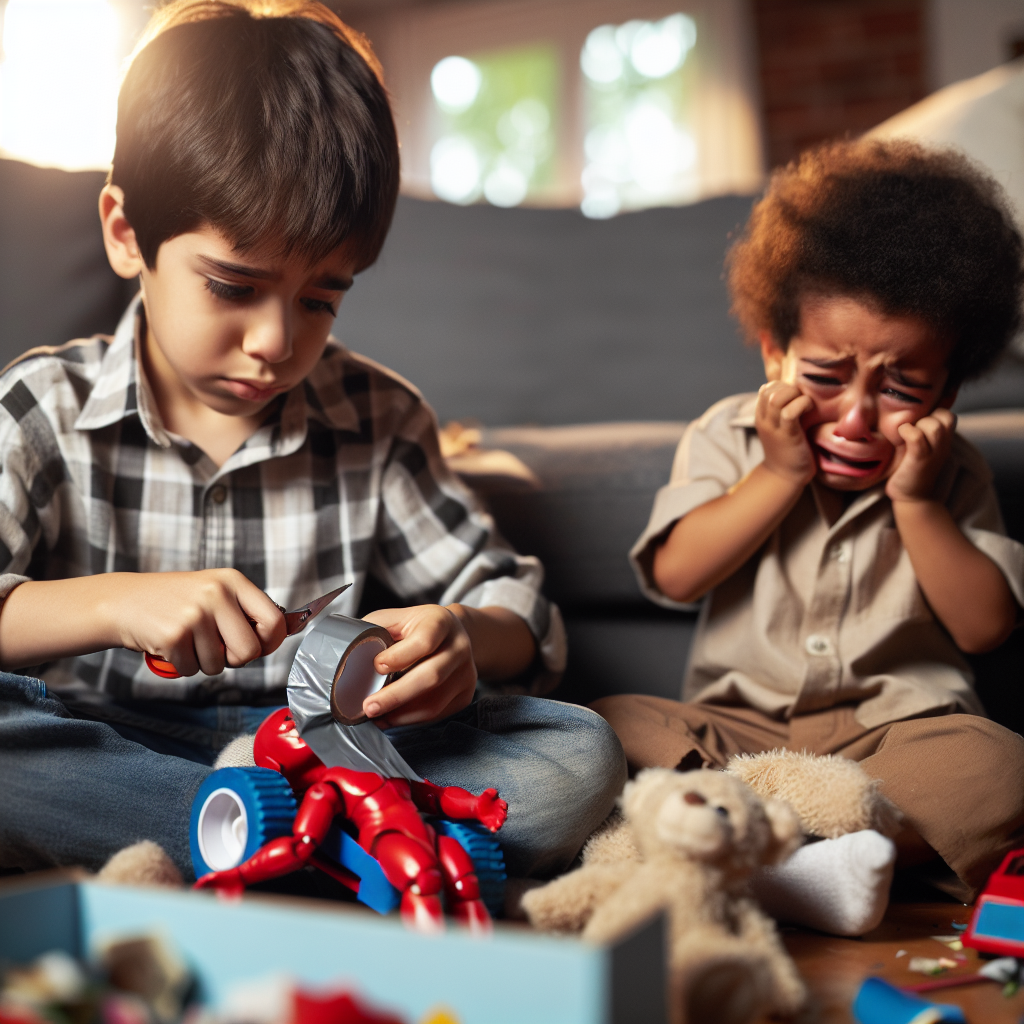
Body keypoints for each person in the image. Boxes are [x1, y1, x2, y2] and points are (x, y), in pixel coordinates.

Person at [0, 0, 624, 886]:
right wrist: (111, 603)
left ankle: (251, 843)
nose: (274, 341)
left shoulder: (379, 418)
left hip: (322, 754)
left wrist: (461, 639)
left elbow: (516, 607)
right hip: (106, 740)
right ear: (125, 232)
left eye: (321, 299)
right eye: (233, 285)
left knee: (579, 757)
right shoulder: (39, 406)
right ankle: (316, 848)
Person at [593, 139, 1024, 911]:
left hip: (893, 736)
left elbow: (986, 626)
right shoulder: (727, 437)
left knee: (1003, 770)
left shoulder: (953, 472)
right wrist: (779, 473)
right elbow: (675, 574)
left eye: (903, 388)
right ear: (773, 353)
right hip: (739, 730)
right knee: (607, 721)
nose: (856, 415)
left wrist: (918, 503)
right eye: (825, 377)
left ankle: (756, 852)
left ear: (949, 389)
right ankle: (811, 856)